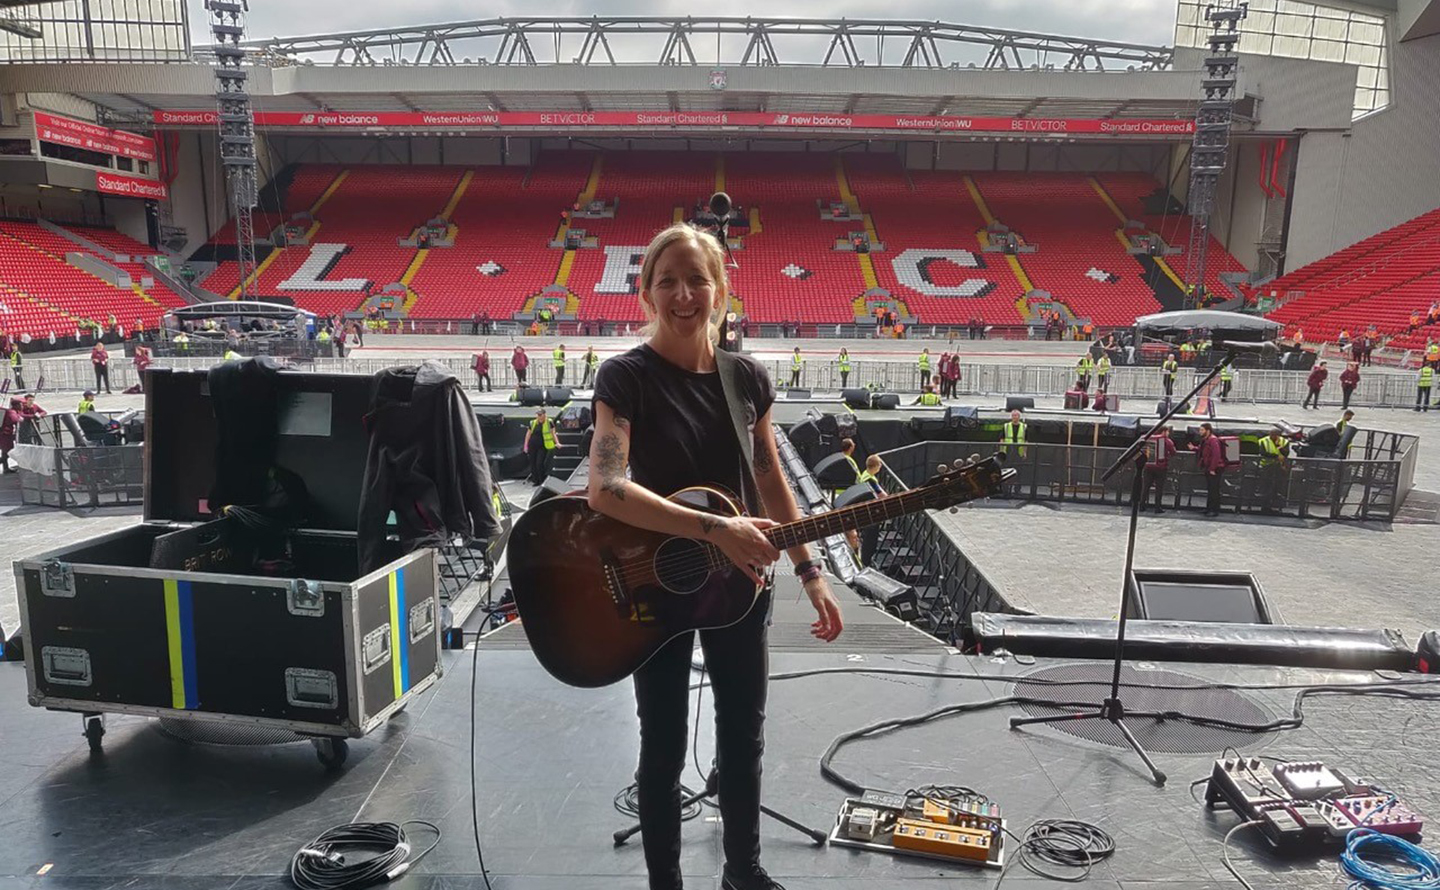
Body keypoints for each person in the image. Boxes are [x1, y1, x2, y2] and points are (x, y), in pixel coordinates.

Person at [587, 222, 842, 890]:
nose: (683, 294)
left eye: (697, 279)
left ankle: (743, 874)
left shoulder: (746, 379)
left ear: (720, 289)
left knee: (743, 739)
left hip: (739, 587)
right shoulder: (625, 377)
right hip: (650, 587)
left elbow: (770, 480)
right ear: (645, 292)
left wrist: (811, 572)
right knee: (663, 745)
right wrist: (714, 530)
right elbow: (607, 489)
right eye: (666, 280)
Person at [1141, 424, 1175, 513]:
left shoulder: (1148, 438)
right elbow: (1173, 452)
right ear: (1164, 431)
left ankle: (1141, 505)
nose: (1168, 433)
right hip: (1161, 468)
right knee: (1159, 488)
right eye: (1167, 431)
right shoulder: (1167, 441)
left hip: (1148, 466)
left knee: (1145, 487)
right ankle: (1157, 507)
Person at [1193, 422, 1225, 516]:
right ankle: (1209, 508)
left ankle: (1214, 510)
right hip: (1209, 467)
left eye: (1202, 430)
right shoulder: (1206, 440)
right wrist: (1194, 448)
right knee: (1210, 489)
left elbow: (1216, 455)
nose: (1200, 432)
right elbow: (1203, 449)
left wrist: (1212, 468)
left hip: (1214, 468)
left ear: (1208, 430)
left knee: (1214, 489)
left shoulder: (1213, 440)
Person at [1257, 427, 1291, 513]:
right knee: (1267, 487)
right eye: (1271, 435)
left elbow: (1286, 453)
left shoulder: (1284, 442)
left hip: (1279, 467)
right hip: (1267, 466)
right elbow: (1263, 453)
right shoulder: (1263, 441)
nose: (1272, 436)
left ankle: (1275, 505)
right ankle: (1265, 507)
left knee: (1277, 486)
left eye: (1275, 435)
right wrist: (1275, 456)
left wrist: (1279, 446)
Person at [523, 408, 557, 485]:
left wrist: (557, 442)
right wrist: (526, 446)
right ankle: (536, 480)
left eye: (540, 415)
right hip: (532, 445)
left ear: (544, 415)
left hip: (542, 446)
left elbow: (553, 433)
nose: (539, 416)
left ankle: (542, 480)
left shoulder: (549, 422)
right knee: (533, 463)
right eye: (538, 415)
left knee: (539, 463)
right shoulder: (533, 423)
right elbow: (528, 435)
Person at [0, 397, 21, 473]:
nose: (22, 406)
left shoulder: (6, 411)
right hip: (6, 435)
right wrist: (20, 418)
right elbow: (14, 419)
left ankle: (6, 468)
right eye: (20, 405)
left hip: (3, 434)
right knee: (9, 451)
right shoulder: (11, 412)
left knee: (5, 452)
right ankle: (5, 467)